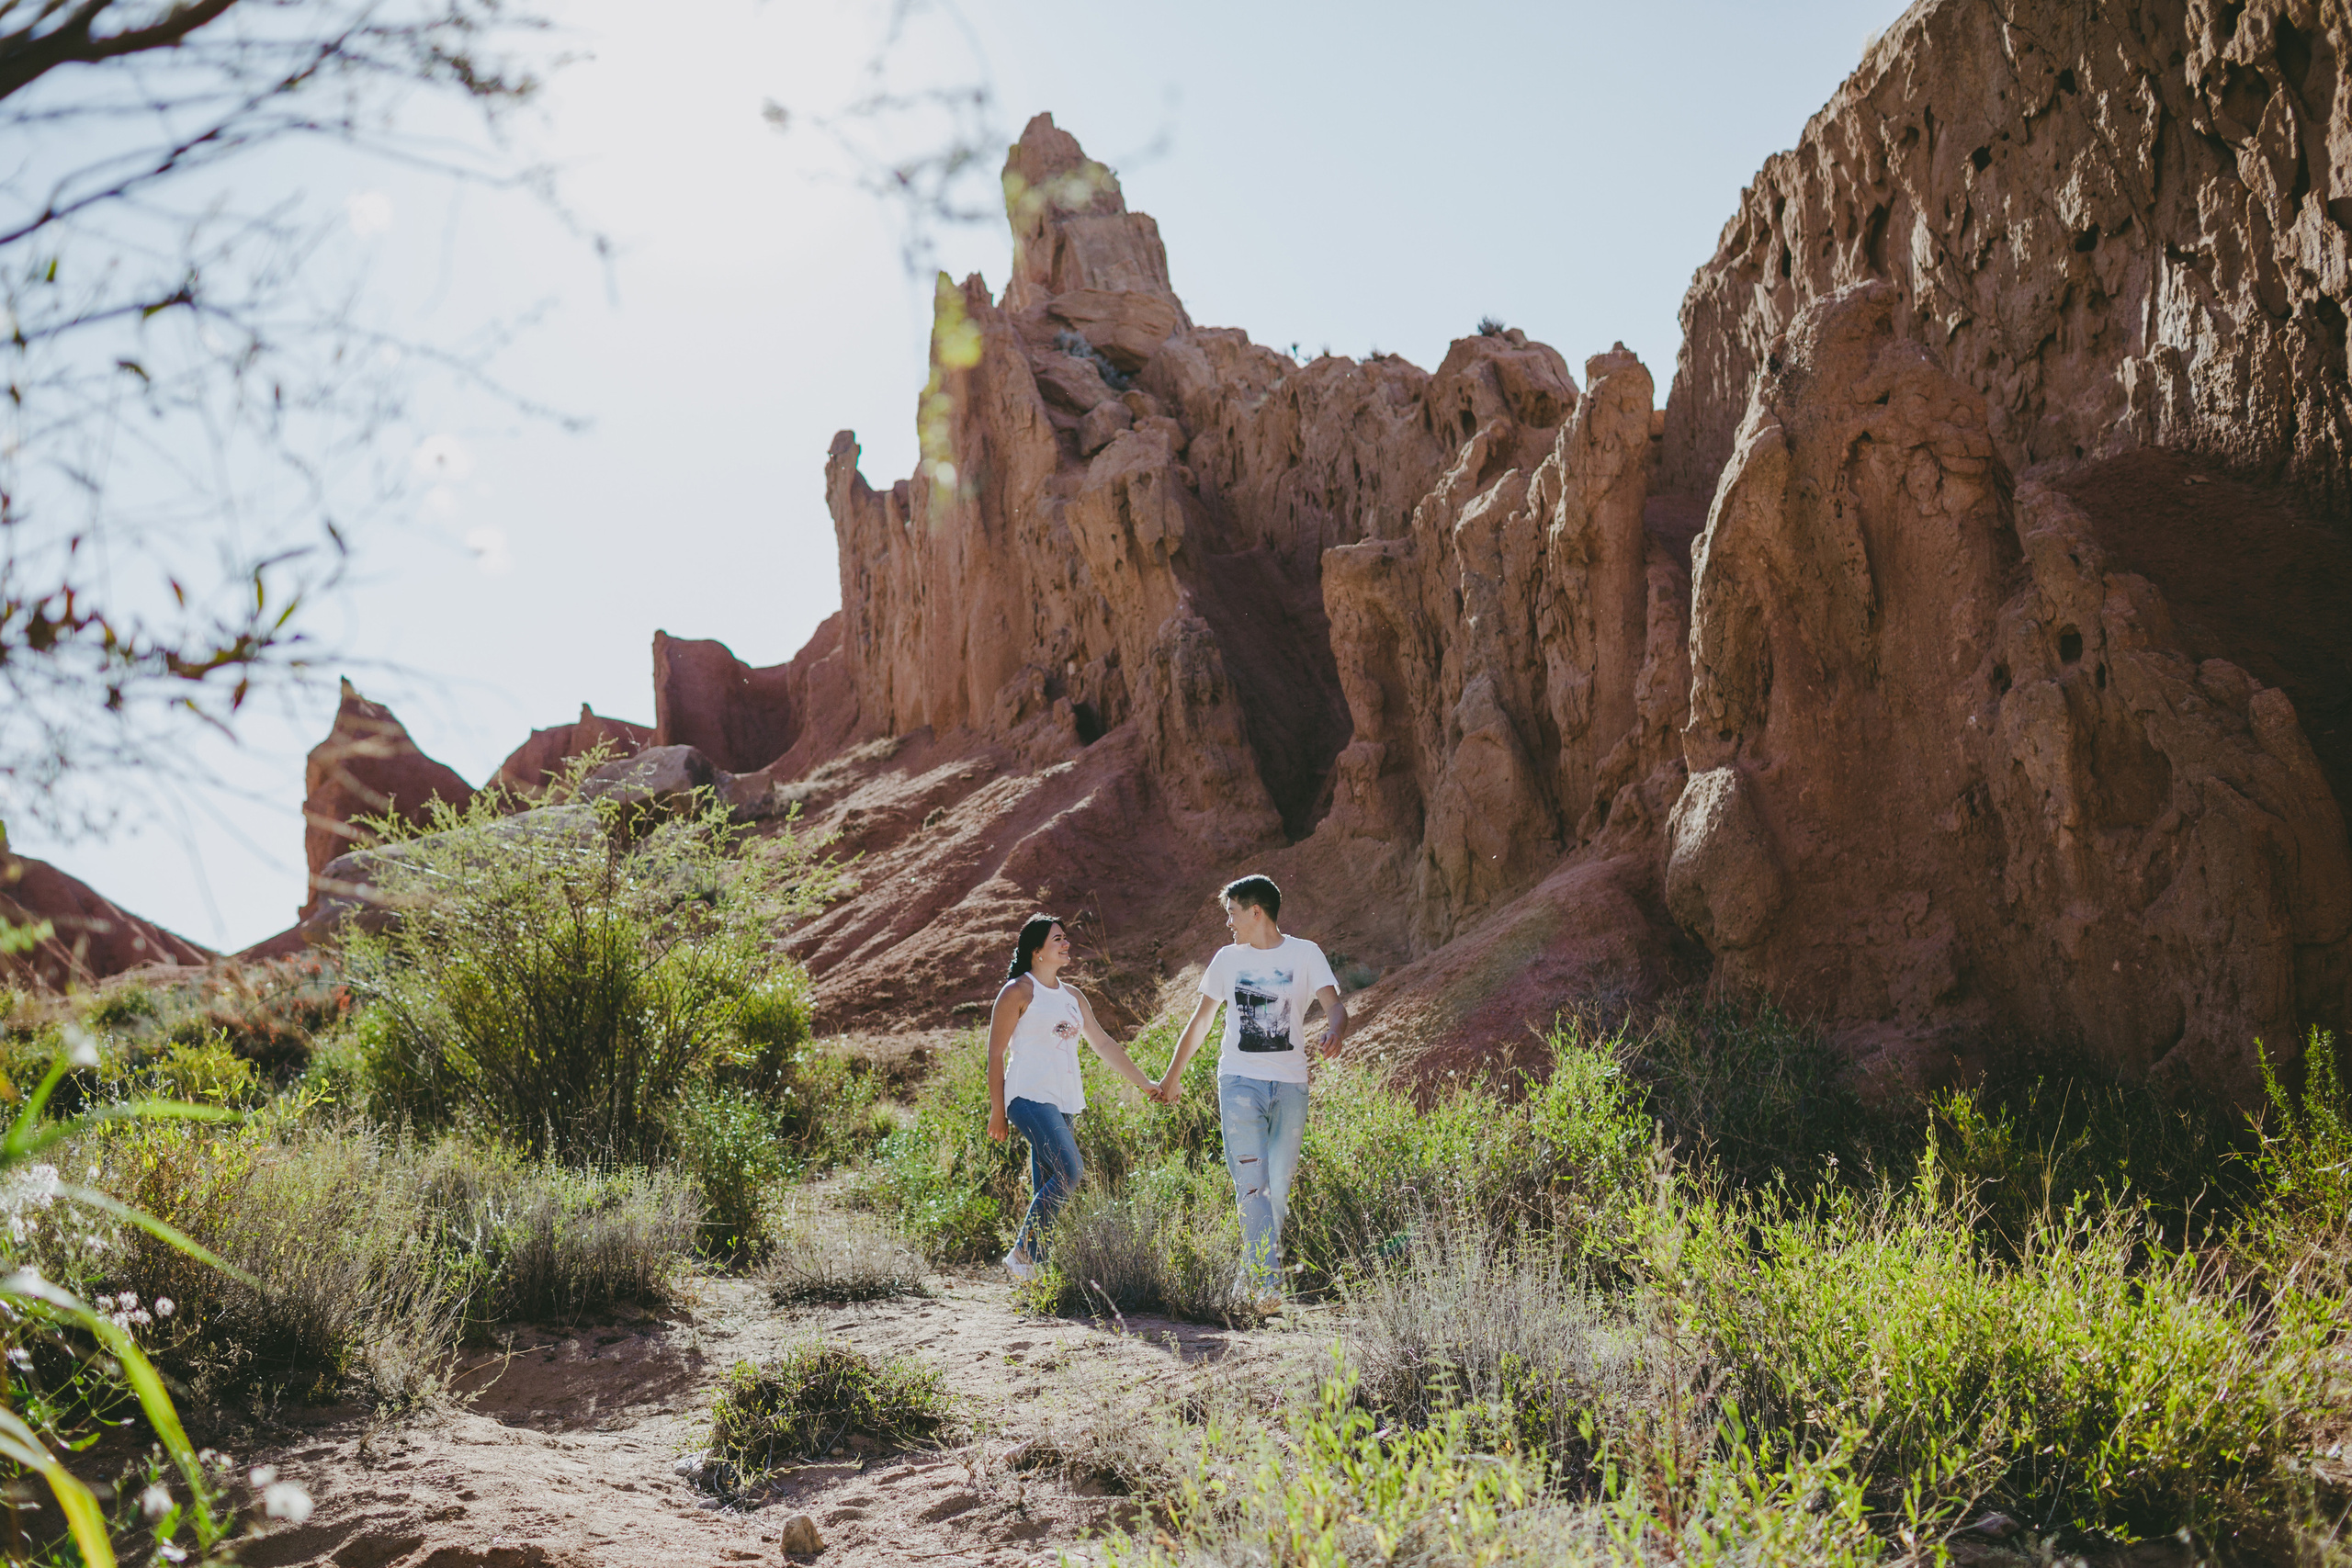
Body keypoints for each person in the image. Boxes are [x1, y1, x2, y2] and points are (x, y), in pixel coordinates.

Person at [1153, 874, 1346, 1311]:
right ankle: (1267, 1286)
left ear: (1255, 911)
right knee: (1253, 1185)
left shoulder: (1305, 953)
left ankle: (1245, 1287)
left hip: (1292, 1085)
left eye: (1232, 913)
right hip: (1239, 1082)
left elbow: (1335, 1006)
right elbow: (1201, 1022)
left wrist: (1335, 1030)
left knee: (1276, 1188)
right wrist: (1173, 1076)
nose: (1229, 923)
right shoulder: (1227, 960)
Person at [987, 913, 1159, 1281]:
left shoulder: (1073, 996)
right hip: (1028, 1096)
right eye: (1058, 940)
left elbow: (1102, 1043)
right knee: (1071, 1170)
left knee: (1046, 1182)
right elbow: (996, 1055)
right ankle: (1023, 1252)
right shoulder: (1018, 991)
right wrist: (997, 1111)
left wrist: (1143, 1082)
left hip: (1064, 1100)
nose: (1066, 944)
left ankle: (1037, 1273)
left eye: (1066, 938)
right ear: (1037, 951)